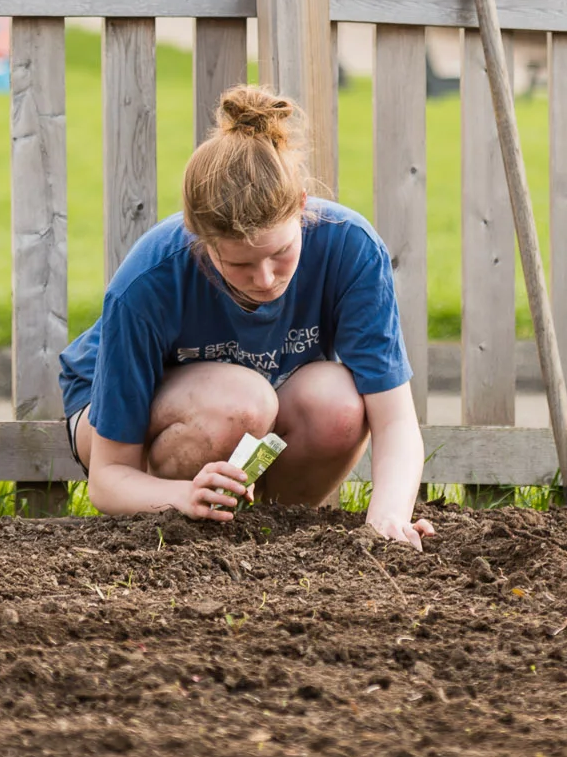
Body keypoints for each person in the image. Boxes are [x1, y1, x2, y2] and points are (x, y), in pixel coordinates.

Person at [60, 84, 434, 550]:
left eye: (280, 253)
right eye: (238, 265)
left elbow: (396, 420)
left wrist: (389, 518)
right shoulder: (147, 281)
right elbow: (109, 478)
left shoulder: (351, 247)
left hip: (265, 390)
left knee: (339, 403)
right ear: (200, 240)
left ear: (300, 206)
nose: (265, 279)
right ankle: (180, 527)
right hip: (118, 424)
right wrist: (181, 495)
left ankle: (267, 533)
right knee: (242, 403)